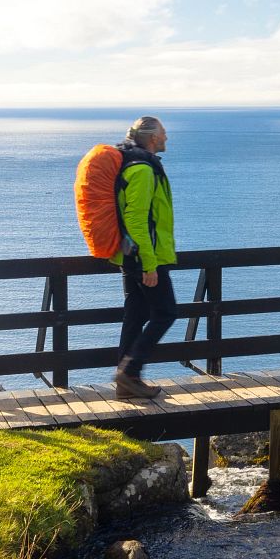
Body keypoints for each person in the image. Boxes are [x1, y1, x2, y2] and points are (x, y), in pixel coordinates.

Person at [112, 116, 176, 400]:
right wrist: (149, 265)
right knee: (166, 313)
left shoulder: (135, 164)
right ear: (152, 138)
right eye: (163, 133)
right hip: (142, 257)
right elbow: (137, 220)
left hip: (130, 254)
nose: (166, 138)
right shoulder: (142, 170)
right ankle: (129, 372)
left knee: (136, 314)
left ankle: (127, 382)